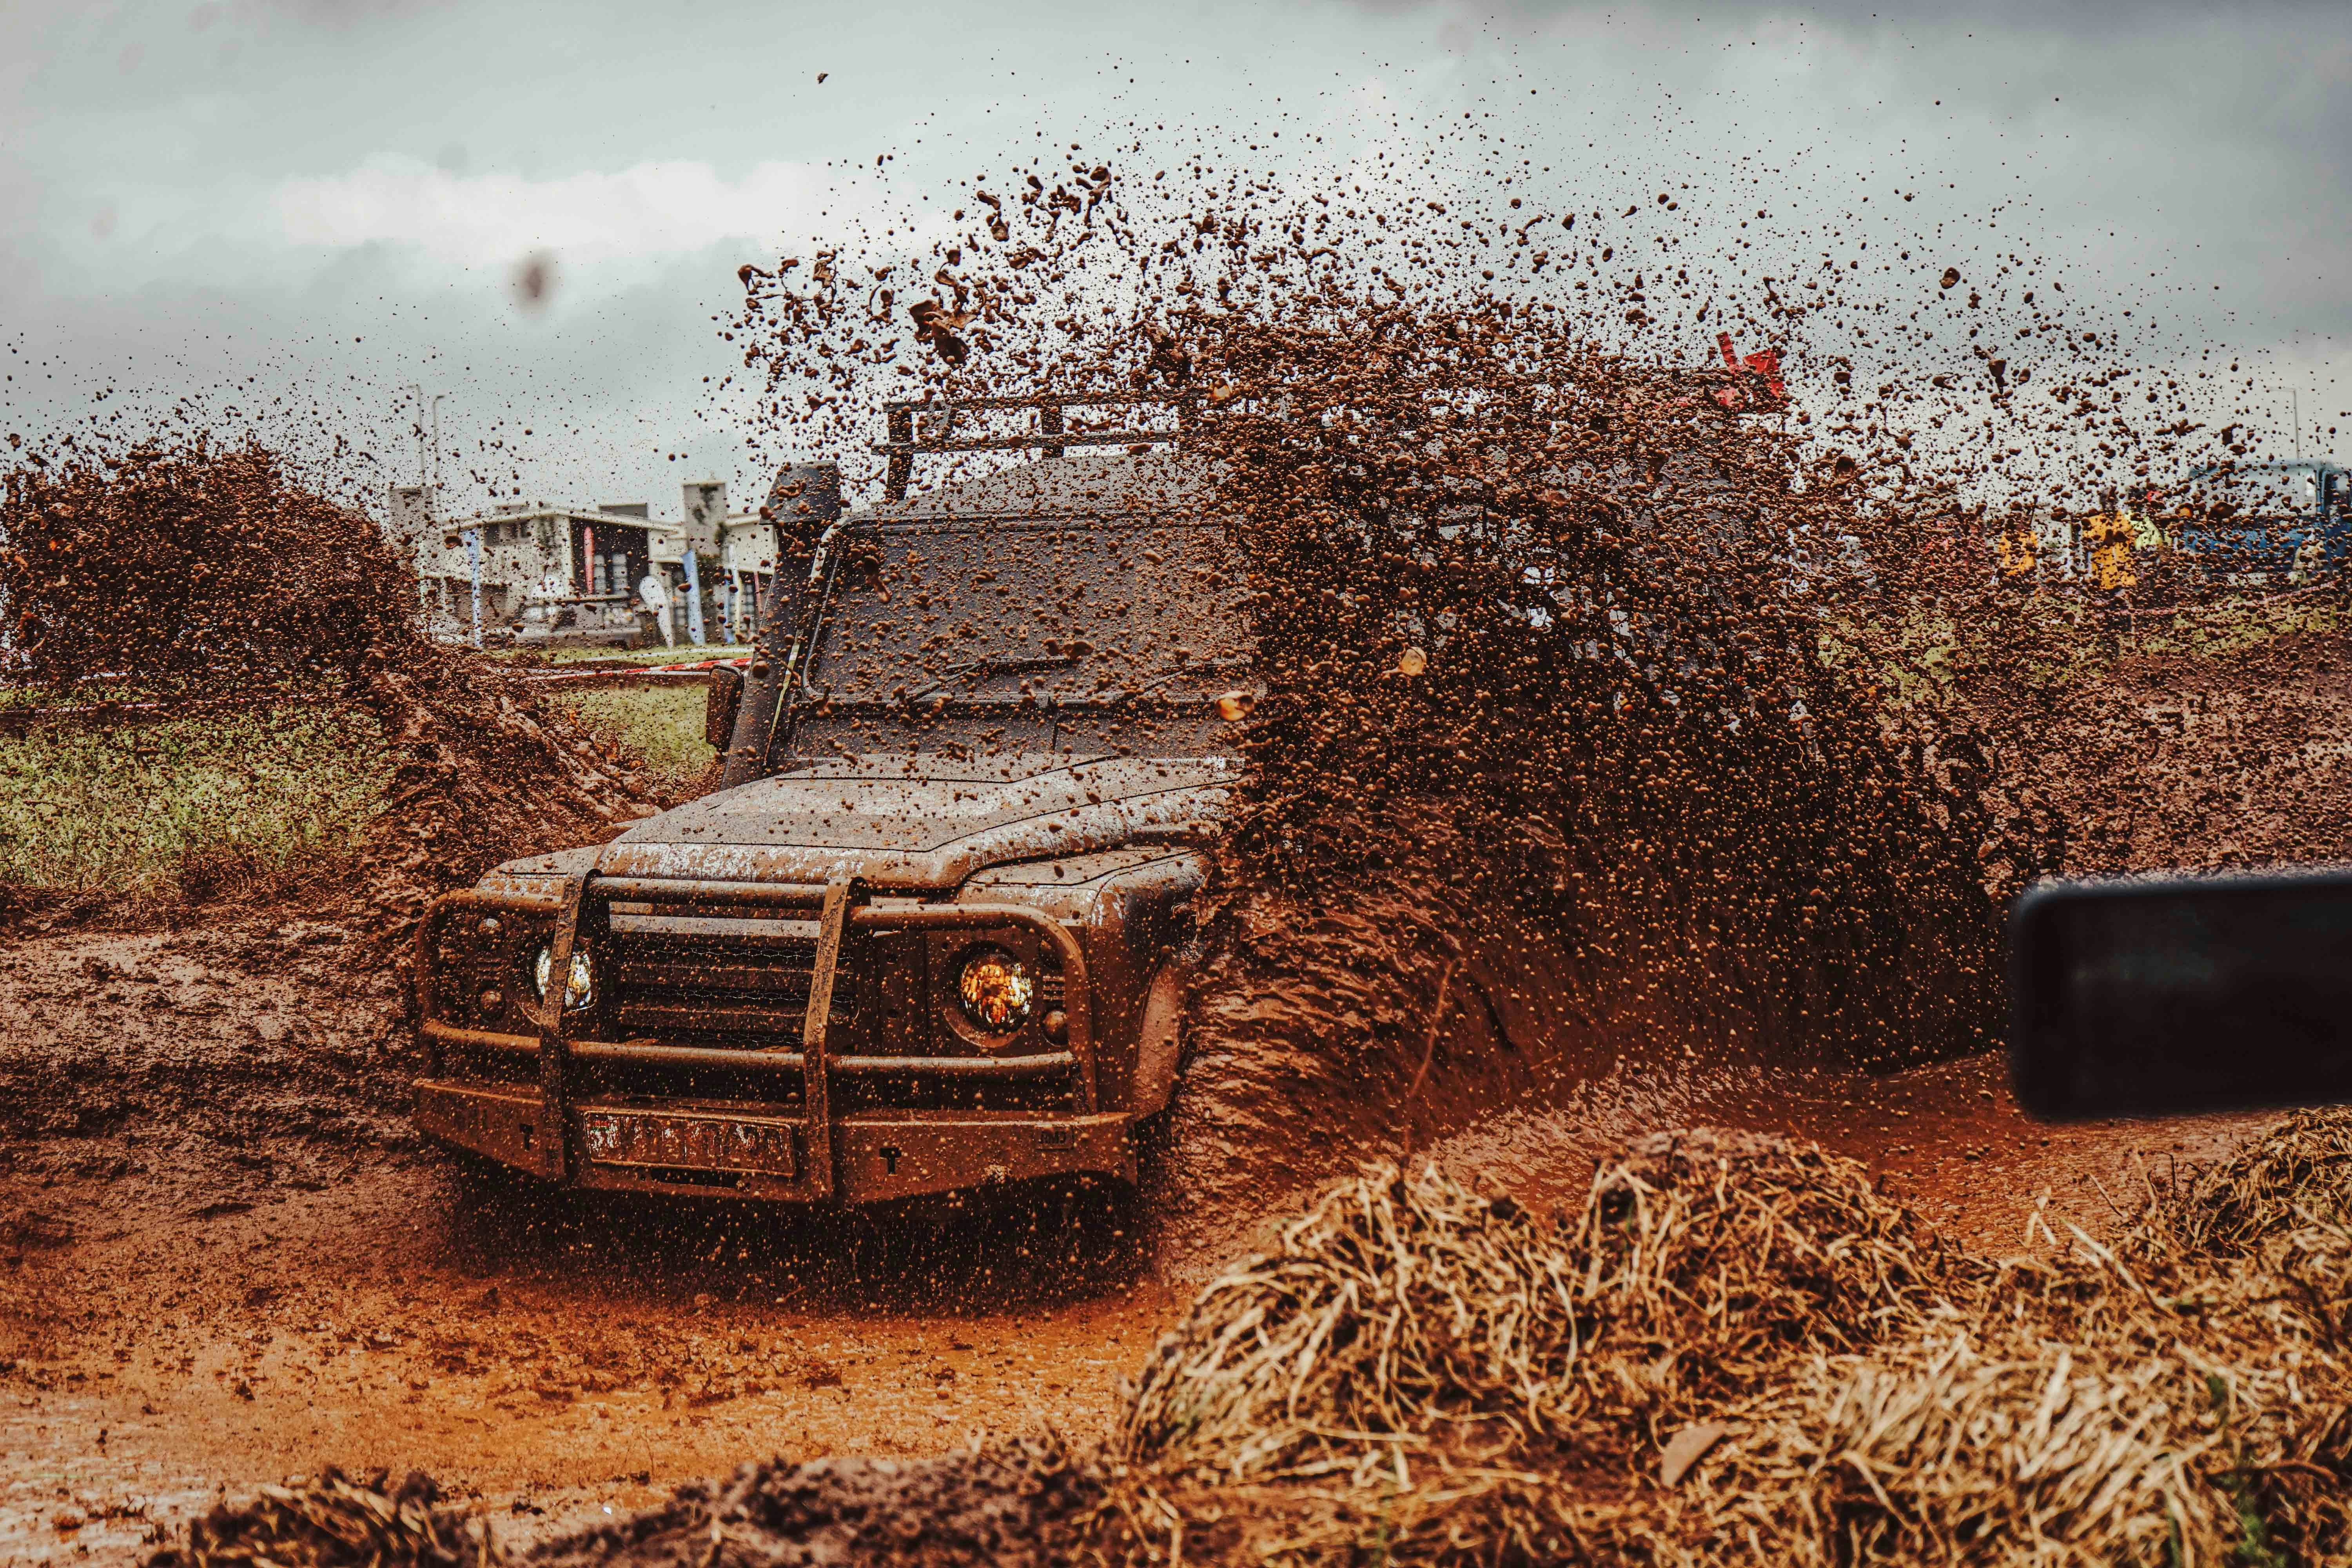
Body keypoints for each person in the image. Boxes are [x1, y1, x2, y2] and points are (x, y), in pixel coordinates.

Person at [637, 568, 674, 648]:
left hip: (657, 609)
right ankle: (657, 643)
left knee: (661, 626)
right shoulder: (647, 585)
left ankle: (665, 643)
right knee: (652, 628)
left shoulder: (656, 587)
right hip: (651, 612)